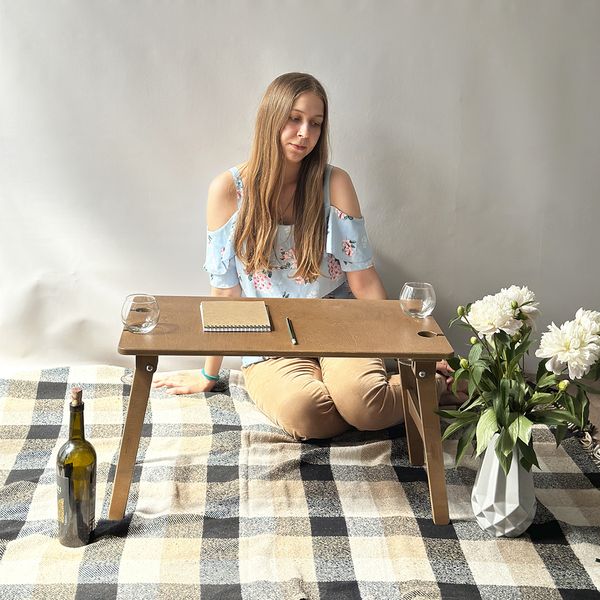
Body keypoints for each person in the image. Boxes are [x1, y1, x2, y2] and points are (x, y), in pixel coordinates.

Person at [153, 72, 459, 440]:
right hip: (269, 343)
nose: (305, 134)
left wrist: (411, 354)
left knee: (363, 403)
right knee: (308, 415)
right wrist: (208, 374)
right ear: (271, 119)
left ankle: (438, 386)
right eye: (294, 119)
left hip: (341, 327)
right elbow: (225, 293)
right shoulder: (228, 191)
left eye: (315, 124)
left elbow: (364, 283)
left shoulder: (335, 184)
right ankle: (361, 399)